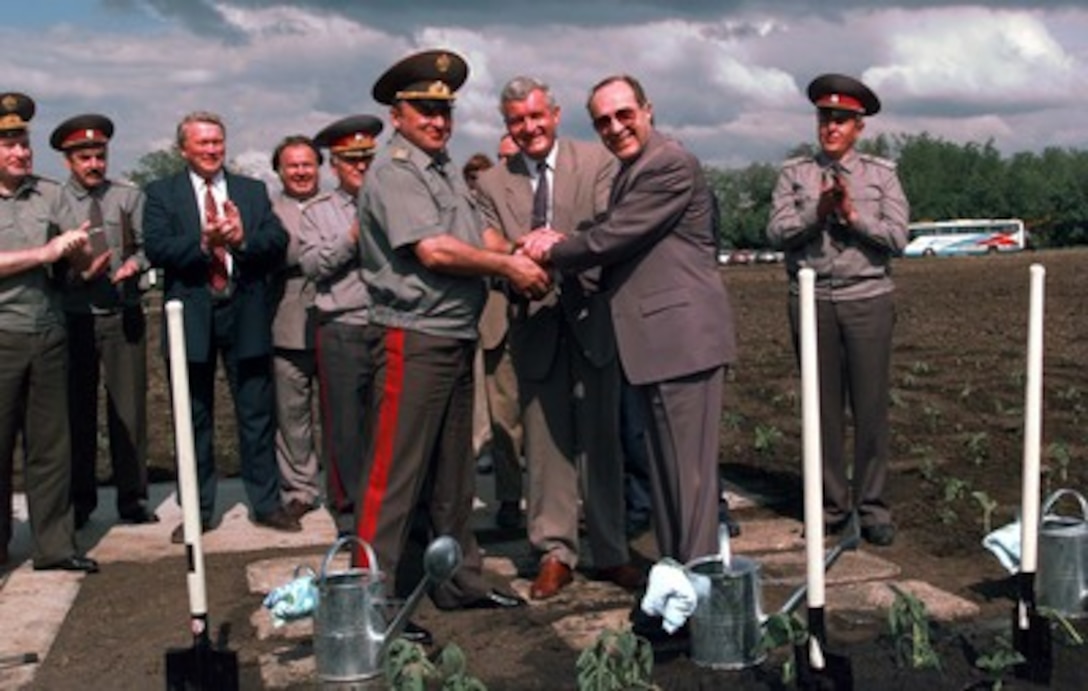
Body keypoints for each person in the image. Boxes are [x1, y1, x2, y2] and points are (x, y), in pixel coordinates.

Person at [356, 49, 549, 615]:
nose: (438, 122)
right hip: (411, 335)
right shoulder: (394, 171)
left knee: (452, 475)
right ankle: (370, 597)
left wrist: (522, 248)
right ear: (398, 114)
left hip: (451, 332)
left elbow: (475, 237)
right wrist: (509, 269)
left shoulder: (440, 169)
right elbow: (434, 250)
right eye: (424, 110)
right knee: (393, 476)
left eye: (445, 112)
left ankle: (458, 579)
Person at [519, 74, 737, 567]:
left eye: (624, 115)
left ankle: (703, 601)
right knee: (668, 481)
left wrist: (554, 248)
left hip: (682, 342)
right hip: (656, 346)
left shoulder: (668, 164)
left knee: (691, 484)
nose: (615, 128)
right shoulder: (629, 171)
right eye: (603, 122)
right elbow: (608, 242)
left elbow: (610, 239)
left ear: (648, 109)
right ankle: (683, 582)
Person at [476, 75, 641, 600]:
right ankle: (554, 551)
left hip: (593, 316)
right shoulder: (490, 184)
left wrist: (557, 245)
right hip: (534, 323)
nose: (528, 128)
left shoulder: (597, 162)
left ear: (556, 114)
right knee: (545, 446)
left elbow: (606, 224)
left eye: (535, 116)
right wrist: (517, 250)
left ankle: (612, 550)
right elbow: (490, 240)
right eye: (517, 122)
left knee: (602, 440)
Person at [766, 73, 909, 547]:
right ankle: (830, 505)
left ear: (858, 127)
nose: (832, 127)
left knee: (869, 408)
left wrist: (851, 216)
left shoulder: (880, 174)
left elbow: (898, 237)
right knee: (820, 409)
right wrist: (818, 212)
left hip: (866, 297)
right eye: (825, 118)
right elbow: (776, 232)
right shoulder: (794, 175)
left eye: (842, 120)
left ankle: (872, 506)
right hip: (811, 301)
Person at [143, 111, 295, 543]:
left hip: (243, 311)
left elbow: (276, 242)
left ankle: (266, 504)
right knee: (194, 418)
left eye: (217, 142)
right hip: (190, 314)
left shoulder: (251, 191)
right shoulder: (162, 193)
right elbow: (157, 247)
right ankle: (199, 510)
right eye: (203, 143)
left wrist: (243, 239)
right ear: (183, 149)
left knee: (256, 414)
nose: (212, 150)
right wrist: (204, 244)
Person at [0, 92, 100, 572]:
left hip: (48, 332)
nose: (20, 153)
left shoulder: (50, 193)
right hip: (2, 336)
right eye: (8, 144)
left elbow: (76, 262)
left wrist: (78, 250)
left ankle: (55, 546)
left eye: (23, 143)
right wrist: (43, 254)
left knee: (51, 447)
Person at [50, 114, 156, 530]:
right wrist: (76, 272)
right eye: (84, 157)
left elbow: (148, 248)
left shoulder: (128, 197)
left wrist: (132, 265)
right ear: (68, 162)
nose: (94, 164)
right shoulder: (55, 202)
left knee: (129, 412)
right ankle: (80, 500)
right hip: (74, 318)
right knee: (76, 413)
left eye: (99, 155)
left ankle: (133, 498)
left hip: (120, 315)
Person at [297, 115, 382, 537]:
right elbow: (311, 265)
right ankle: (348, 511)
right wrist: (351, 237)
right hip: (343, 327)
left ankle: (385, 505)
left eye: (367, 158)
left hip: (388, 323)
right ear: (335, 165)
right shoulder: (318, 212)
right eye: (351, 161)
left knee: (386, 424)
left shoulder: (392, 201)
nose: (361, 167)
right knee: (345, 426)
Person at [465, 146, 524, 531]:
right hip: (466, 324)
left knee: (507, 418)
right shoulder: (461, 209)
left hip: (503, 321)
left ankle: (508, 497)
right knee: (466, 424)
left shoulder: (518, 204)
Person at [268, 135, 323, 521]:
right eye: (293, 166)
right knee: (292, 414)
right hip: (287, 322)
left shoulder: (342, 205)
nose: (301, 172)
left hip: (340, 320)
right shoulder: (269, 212)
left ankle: (346, 487)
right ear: (280, 171)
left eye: (308, 164)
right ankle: (300, 488)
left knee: (345, 414)